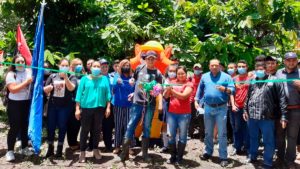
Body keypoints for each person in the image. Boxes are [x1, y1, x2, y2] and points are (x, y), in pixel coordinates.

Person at [120, 50, 163, 162]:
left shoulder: (158, 73)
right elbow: (134, 79)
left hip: (150, 104)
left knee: (147, 127)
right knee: (130, 125)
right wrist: (132, 82)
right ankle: (124, 153)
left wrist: (156, 91)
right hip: (137, 102)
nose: (150, 60)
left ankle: (144, 154)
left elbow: (159, 89)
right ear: (145, 58)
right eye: (148, 58)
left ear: (155, 59)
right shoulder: (139, 68)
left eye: (152, 58)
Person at [244, 62, 287, 168]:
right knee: (253, 137)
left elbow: (282, 99)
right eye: (257, 69)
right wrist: (245, 110)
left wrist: (283, 116)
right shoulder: (253, 80)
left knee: (268, 140)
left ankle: (267, 161)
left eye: (262, 69)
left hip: (267, 117)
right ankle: (252, 156)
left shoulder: (275, 80)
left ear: (266, 69)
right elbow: (248, 97)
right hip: (252, 116)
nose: (260, 71)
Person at [195, 59, 235, 167]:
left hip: (221, 108)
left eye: (216, 65)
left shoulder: (226, 77)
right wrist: (196, 100)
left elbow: (232, 90)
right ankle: (208, 152)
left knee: (222, 133)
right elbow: (200, 89)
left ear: (220, 66)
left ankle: (223, 157)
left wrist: (224, 89)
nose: (214, 67)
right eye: (212, 65)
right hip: (208, 107)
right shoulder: (205, 76)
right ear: (209, 66)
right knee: (208, 132)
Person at [75, 60, 111, 162]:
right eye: (94, 66)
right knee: (85, 130)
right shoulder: (84, 79)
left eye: (98, 66)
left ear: (100, 68)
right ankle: (82, 152)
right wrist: (77, 109)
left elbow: (108, 94)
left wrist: (108, 107)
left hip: (100, 108)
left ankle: (95, 149)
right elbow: (78, 95)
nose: (96, 68)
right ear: (90, 68)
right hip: (86, 108)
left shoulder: (104, 79)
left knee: (97, 130)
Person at [44, 58, 77, 158]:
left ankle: (59, 149)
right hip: (52, 106)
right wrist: (48, 88)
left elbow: (72, 88)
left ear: (69, 67)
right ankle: (50, 148)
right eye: (62, 65)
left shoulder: (72, 76)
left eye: (66, 66)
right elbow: (45, 90)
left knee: (62, 127)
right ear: (58, 66)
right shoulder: (52, 76)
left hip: (65, 107)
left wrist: (66, 78)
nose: (64, 67)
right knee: (51, 127)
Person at [5, 54, 33, 162]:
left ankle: (24, 147)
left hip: (26, 102)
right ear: (14, 63)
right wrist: (26, 82)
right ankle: (10, 151)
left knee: (25, 126)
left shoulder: (29, 72)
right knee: (14, 128)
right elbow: (13, 89)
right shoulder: (11, 74)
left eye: (22, 61)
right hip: (14, 104)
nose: (21, 63)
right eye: (18, 62)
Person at [164, 66, 193, 164]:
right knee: (171, 136)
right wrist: (167, 90)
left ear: (186, 74)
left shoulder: (189, 84)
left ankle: (179, 157)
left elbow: (184, 96)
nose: (180, 75)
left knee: (183, 136)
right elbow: (166, 96)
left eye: (182, 73)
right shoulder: (172, 82)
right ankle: (173, 156)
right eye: (179, 73)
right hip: (172, 113)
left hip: (184, 114)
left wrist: (171, 90)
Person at [276, 52, 300, 168]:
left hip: (296, 110)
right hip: (281, 110)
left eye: (293, 60)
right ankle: (280, 158)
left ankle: (290, 160)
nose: (291, 62)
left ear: (297, 61)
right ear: (284, 61)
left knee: (292, 136)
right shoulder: (279, 73)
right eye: (288, 60)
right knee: (280, 135)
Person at [111, 59, 135, 154]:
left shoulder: (132, 77)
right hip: (118, 104)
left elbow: (136, 90)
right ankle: (117, 146)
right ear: (120, 66)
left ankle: (129, 146)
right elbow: (113, 89)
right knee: (118, 125)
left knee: (129, 126)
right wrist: (117, 82)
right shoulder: (117, 76)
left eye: (128, 65)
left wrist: (133, 86)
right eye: (124, 65)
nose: (126, 67)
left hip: (129, 105)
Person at [230, 60, 250, 156]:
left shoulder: (251, 78)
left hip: (248, 108)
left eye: (243, 66)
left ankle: (247, 148)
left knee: (247, 128)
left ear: (247, 67)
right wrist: (233, 105)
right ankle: (237, 147)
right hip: (236, 107)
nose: (241, 68)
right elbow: (231, 93)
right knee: (237, 128)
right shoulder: (234, 79)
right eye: (239, 66)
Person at [66, 58, 85, 151]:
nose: (79, 66)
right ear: (72, 66)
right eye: (77, 64)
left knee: (78, 124)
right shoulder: (70, 76)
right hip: (72, 103)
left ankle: (76, 141)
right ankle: (72, 143)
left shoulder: (84, 76)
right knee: (72, 124)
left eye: (80, 64)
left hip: (83, 103)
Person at [160, 64, 178, 153]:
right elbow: (164, 94)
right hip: (166, 104)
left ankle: (176, 146)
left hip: (177, 105)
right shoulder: (164, 80)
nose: (172, 73)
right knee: (165, 125)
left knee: (176, 125)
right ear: (167, 71)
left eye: (174, 71)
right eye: (170, 71)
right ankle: (166, 145)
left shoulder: (180, 80)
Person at [99, 58, 114, 152]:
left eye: (106, 66)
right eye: (102, 66)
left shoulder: (112, 77)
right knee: (97, 126)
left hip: (110, 105)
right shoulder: (96, 78)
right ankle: (93, 145)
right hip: (98, 105)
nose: (104, 68)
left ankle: (108, 145)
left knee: (108, 126)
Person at [188, 63, 203, 139]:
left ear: (201, 70)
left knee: (201, 117)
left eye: (199, 69)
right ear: (193, 69)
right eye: (196, 68)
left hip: (201, 100)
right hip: (191, 100)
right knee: (191, 118)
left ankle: (202, 135)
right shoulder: (190, 78)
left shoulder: (203, 78)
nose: (197, 70)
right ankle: (189, 134)